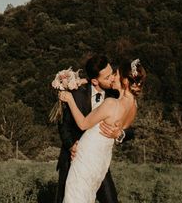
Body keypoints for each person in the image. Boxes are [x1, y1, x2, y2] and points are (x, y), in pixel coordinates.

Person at [58, 58, 146, 203]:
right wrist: (80, 81)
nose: (112, 78)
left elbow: (83, 124)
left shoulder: (111, 102)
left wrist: (69, 99)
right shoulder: (134, 106)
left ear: (124, 81)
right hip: (101, 159)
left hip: (87, 158)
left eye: (115, 74)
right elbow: (64, 125)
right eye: (109, 76)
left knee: (76, 196)